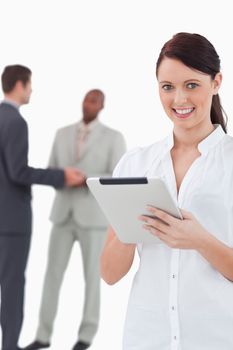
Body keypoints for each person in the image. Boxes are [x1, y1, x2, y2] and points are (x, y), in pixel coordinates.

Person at [101, 32, 233, 350]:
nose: (179, 100)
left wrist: (199, 241)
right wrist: (127, 228)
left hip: (215, 337)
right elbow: (109, 273)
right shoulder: (136, 163)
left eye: (192, 85)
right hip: (146, 337)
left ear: (216, 82)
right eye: (167, 87)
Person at [22, 89, 126, 350]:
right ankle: (43, 335)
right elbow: (52, 170)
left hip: (93, 219)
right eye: (85, 99)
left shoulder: (114, 138)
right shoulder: (61, 133)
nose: (87, 104)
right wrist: (63, 177)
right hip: (62, 215)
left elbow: (117, 178)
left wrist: (85, 178)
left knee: (93, 277)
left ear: (102, 105)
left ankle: (86, 336)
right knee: (51, 275)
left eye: (93, 100)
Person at [0, 65, 82, 350]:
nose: (32, 90)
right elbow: (18, 172)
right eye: (30, 84)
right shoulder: (15, 122)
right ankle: (9, 345)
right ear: (20, 85)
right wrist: (60, 176)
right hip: (10, 222)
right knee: (11, 287)